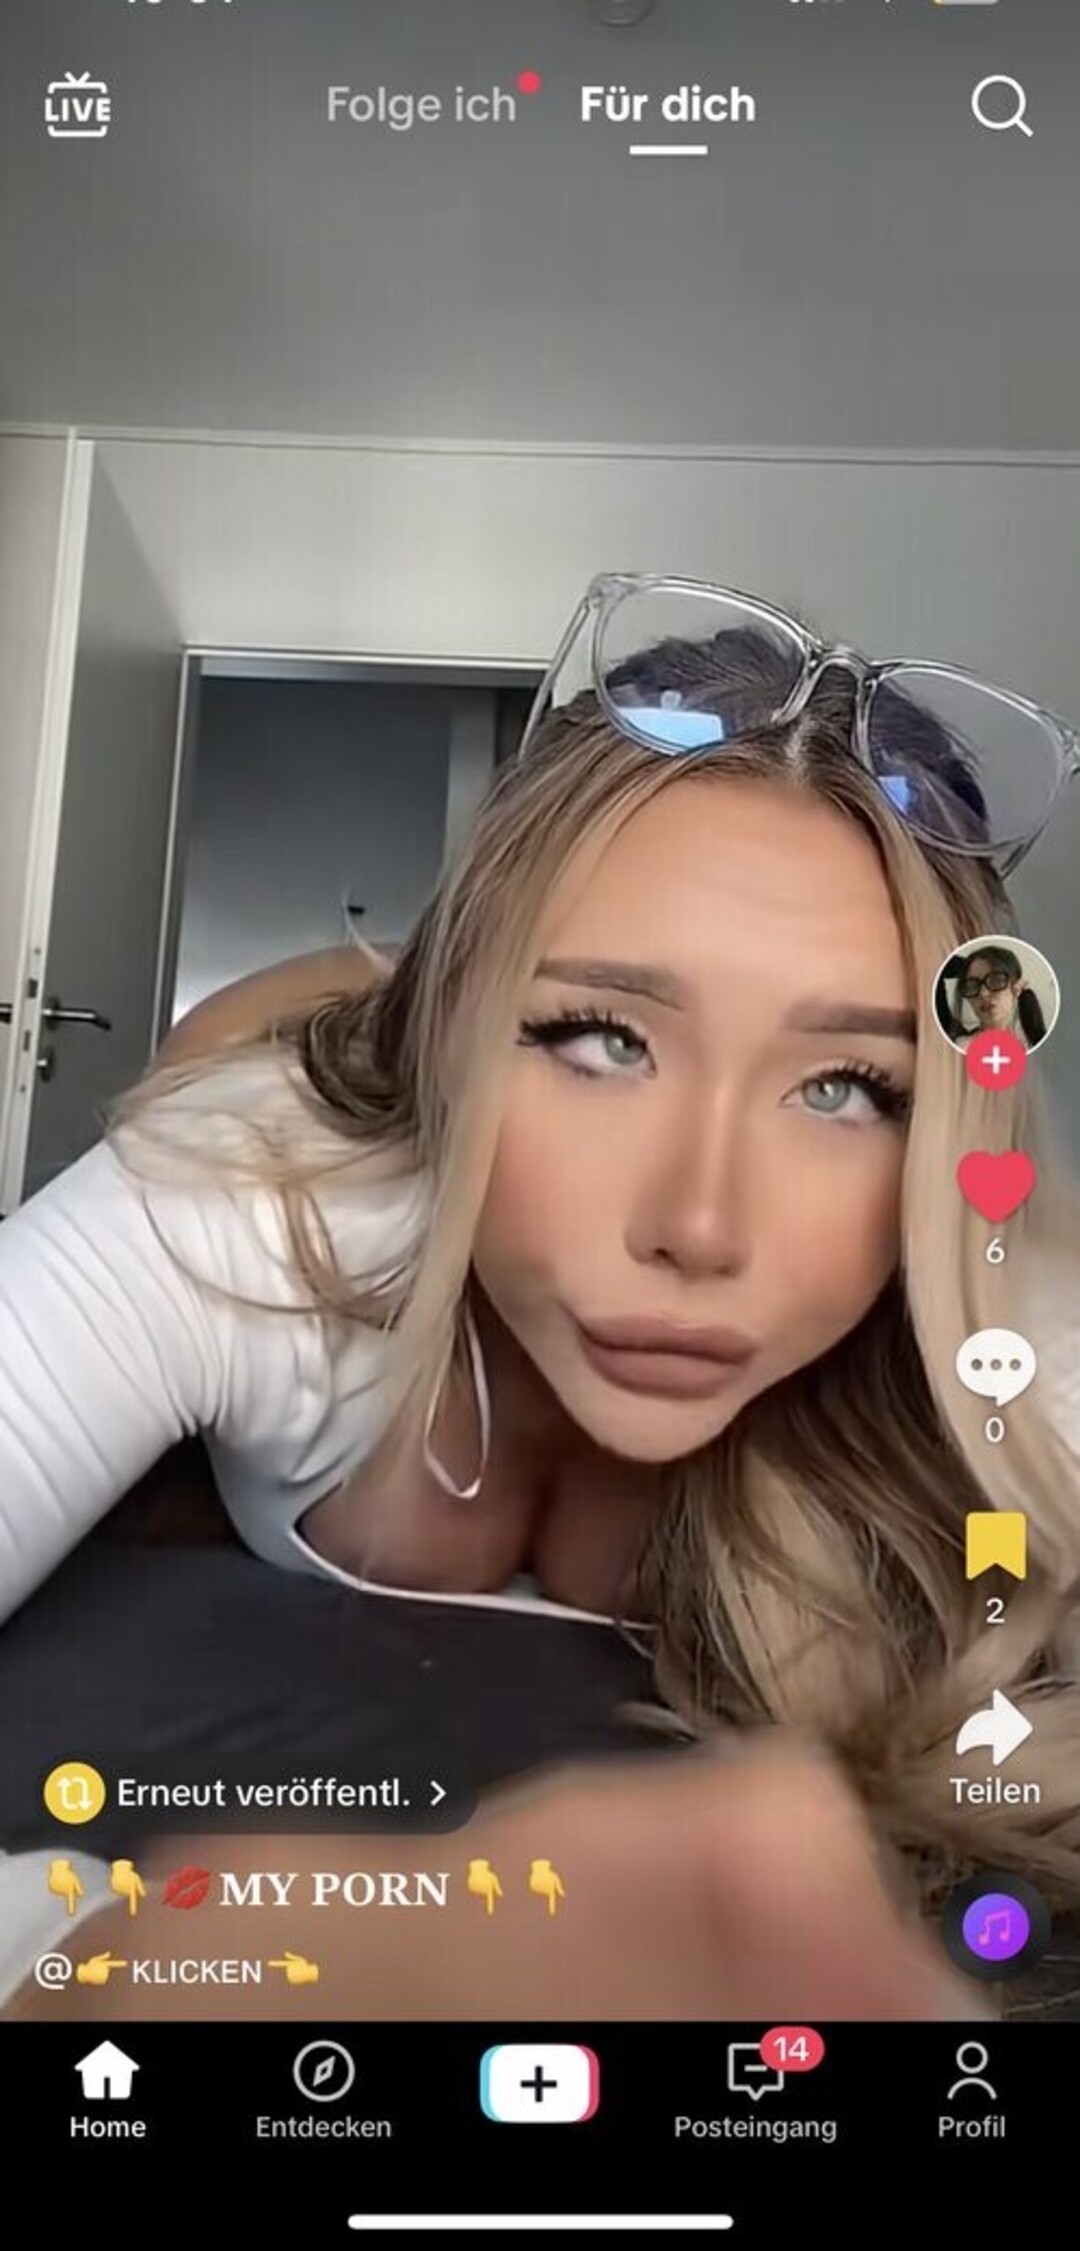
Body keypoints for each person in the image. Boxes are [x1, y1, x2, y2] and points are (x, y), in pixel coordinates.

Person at [2, 569, 1079, 2023]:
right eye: (601, 1039)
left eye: (845, 1086)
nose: (698, 1227)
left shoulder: (1011, 1335)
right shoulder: (246, 1198)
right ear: (459, 1029)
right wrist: (131, 1965)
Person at [938, 944, 1050, 1052]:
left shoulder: (1039, 1049)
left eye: (996, 981)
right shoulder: (955, 1044)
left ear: (1016, 987)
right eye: (972, 985)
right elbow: (937, 964)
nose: (983, 993)